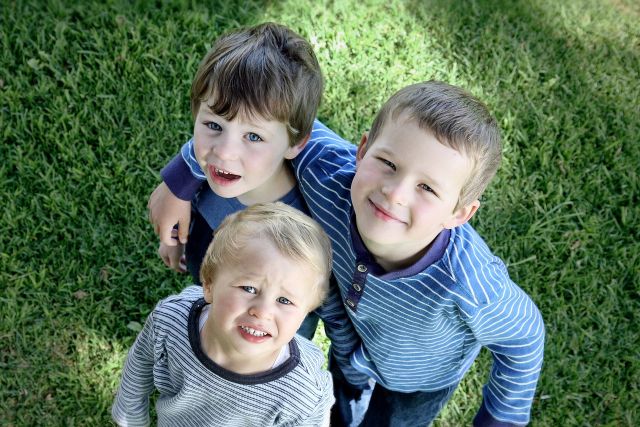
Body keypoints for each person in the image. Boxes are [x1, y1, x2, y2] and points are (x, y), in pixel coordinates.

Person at [150, 81, 545, 426]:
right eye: (387, 163)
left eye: (428, 188)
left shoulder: (469, 280)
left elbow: (524, 338)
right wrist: (179, 182)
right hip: (348, 347)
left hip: (414, 382)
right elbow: (262, 118)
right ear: (361, 150)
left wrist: (500, 418)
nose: (395, 192)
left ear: (460, 213)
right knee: (333, 409)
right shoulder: (326, 169)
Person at [151, 22, 324, 340]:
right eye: (214, 125)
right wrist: (174, 241)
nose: (224, 153)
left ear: (295, 143)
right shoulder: (208, 174)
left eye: (254, 136)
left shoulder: (307, 221)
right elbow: (186, 214)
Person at [112, 202, 336, 426]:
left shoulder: (303, 391)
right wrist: (130, 418)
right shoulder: (170, 321)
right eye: (249, 288)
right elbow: (140, 364)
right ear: (209, 284)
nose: (262, 312)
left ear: (307, 310)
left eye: (285, 300)